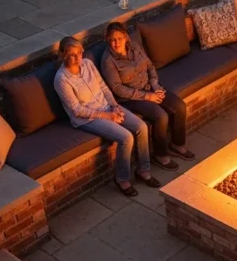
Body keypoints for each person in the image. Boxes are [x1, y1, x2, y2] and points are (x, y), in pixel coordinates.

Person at [53, 36, 160, 197]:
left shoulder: (87, 64)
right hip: (87, 118)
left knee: (141, 127)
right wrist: (108, 116)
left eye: (79, 53)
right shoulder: (61, 79)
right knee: (126, 137)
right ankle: (122, 179)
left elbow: (103, 87)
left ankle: (143, 170)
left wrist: (115, 106)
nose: (77, 58)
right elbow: (76, 110)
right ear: (63, 55)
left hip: (107, 107)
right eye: (72, 55)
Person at [99, 22, 194, 171]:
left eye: (119, 38)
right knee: (161, 116)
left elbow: (149, 66)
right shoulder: (108, 61)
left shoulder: (135, 46)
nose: (116, 43)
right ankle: (160, 155)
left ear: (126, 37)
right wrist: (147, 96)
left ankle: (177, 144)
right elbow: (117, 89)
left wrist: (155, 84)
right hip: (131, 98)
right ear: (107, 40)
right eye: (112, 39)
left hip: (150, 87)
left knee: (179, 106)